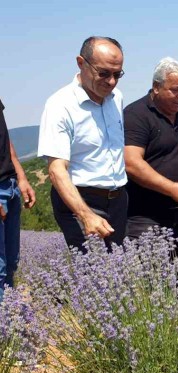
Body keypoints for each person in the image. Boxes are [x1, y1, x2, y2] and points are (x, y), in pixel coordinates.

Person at [38, 36, 127, 252]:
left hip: (117, 200)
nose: (111, 81)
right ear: (81, 63)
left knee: (119, 274)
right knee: (93, 276)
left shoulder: (116, 98)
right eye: (103, 73)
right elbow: (56, 170)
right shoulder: (60, 105)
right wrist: (86, 215)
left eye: (118, 74)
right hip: (81, 202)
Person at [123, 57, 178, 245]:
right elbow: (131, 163)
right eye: (175, 90)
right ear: (156, 87)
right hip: (146, 220)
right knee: (150, 274)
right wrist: (171, 189)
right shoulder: (136, 115)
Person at [0, 100, 36, 301]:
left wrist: (21, 176)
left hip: (10, 184)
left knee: (11, 262)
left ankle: (9, 317)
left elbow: (4, 138)